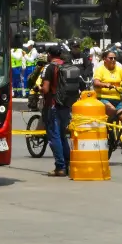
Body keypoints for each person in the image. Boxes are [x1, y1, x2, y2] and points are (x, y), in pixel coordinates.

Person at [38, 44, 73, 177]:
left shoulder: (50, 67)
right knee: (62, 135)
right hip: (66, 105)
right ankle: (68, 164)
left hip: (52, 104)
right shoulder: (66, 65)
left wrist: (39, 89)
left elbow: (46, 89)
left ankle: (60, 167)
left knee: (54, 136)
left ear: (49, 55)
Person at [92, 49, 122, 127]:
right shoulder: (100, 69)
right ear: (104, 59)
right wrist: (105, 85)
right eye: (111, 58)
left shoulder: (118, 68)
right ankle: (109, 131)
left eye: (115, 58)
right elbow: (96, 82)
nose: (113, 60)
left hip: (117, 99)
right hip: (103, 99)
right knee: (112, 111)